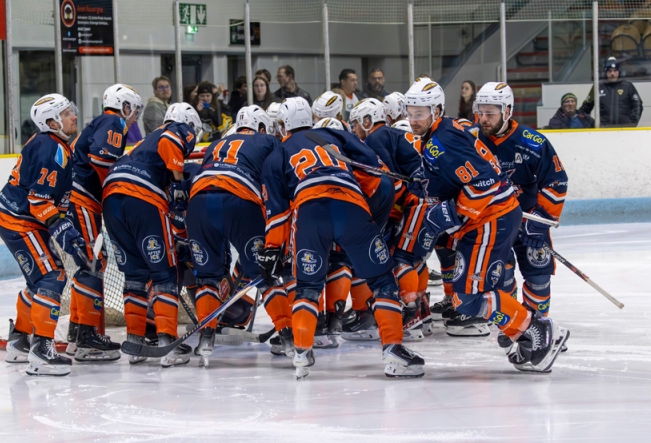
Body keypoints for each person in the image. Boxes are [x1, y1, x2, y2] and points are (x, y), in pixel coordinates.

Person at [404, 78, 569, 372]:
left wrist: (450, 213)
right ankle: (525, 331)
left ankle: (535, 327)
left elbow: (482, 185)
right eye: (410, 112)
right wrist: (428, 181)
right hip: (490, 218)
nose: (413, 119)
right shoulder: (448, 132)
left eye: (420, 113)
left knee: (527, 276)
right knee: (477, 291)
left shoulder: (445, 139)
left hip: (493, 218)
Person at [260, 97, 425, 379]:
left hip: (309, 213)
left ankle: (301, 352)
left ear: (283, 124)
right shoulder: (335, 134)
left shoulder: (277, 153)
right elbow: (376, 170)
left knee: (307, 287)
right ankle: (393, 352)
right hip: (351, 206)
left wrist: (272, 248)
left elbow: (278, 211)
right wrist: (374, 219)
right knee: (382, 280)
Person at [186, 105, 294, 367]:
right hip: (239, 202)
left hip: (198, 204)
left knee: (208, 278)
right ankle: (290, 337)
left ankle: (206, 338)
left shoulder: (217, 144)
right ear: (260, 127)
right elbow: (279, 180)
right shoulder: (267, 140)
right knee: (264, 274)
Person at [476, 82, 570, 364]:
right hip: (495, 225)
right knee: (501, 278)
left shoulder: (532, 142)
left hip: (530, 222)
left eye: (490, 112)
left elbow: (557, 180)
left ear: (507, 110)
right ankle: (520, 326)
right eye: (480, 111)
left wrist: (541, 220)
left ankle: (541, 326)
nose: (484, 118)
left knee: (538, 275)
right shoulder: (472, 141)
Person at [104, 102, 200, 367]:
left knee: (134, 275)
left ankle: (135, 343)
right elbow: (172, 139)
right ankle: (167, 343)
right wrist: (179, 183)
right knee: (164, 273)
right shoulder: (177, 128)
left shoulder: (145, 143)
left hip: (111, 194)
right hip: (142, 196)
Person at [0, 93, 84, 376]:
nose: (73, 117)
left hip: (15, 217)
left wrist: (66, 226)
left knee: (39, 280)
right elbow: (39, 202)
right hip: (22, 221)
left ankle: (20, 340)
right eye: (67, 113)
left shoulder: (53, 142)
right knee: (52, 276)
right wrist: (65, 232)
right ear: (51, 121)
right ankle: (41, 350)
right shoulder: (51, 149)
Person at [64, 84, 143, 362]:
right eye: (134, 110)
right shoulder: (114, 121)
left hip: (78, 198)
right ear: (125, 106)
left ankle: (77, 333)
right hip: (81, 198)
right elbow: (100, 159)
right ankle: (87, 336)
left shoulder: (103, 122)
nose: (134, 117)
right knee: (93, 261)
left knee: (91, 260)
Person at [348, 98, 433, 341]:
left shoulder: (376, 138)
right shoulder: (390, 134)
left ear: (367, 121)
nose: (354, 129)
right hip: (423, 201)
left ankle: (410, 314)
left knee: (400, 257)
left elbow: (385, 179)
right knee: (415, 258)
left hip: (418, 202)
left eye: (356, 123)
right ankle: (421, 311)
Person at [579, 57, 643, 127]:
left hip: (625, 130)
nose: (612, 73)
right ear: (605, 72)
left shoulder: (628, 86)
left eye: (615, 70)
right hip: (604, 130)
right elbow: (585, 109)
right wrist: (592, 123)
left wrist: (632, 123)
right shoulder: (598, 87)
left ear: (619, 71)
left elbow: (637, 105)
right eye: (609, 71)